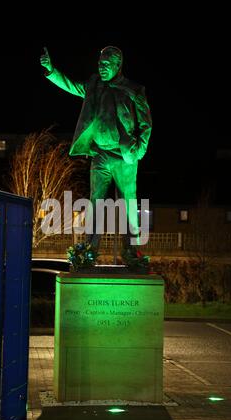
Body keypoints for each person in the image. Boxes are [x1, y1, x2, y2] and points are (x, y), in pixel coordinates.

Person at [40, 45, 152, 261]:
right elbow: (72, 86)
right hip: (100, 154)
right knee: (95, 201)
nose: (102, 68)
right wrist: (51, 70)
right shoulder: (94, 85)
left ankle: (132, 251)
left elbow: (146, 124)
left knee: (128, 202)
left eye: (107, 65)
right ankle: (90, 250)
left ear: (118, 66)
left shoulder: (134, 90)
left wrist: (139, 150)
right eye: (100, 64)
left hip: (124, 156)